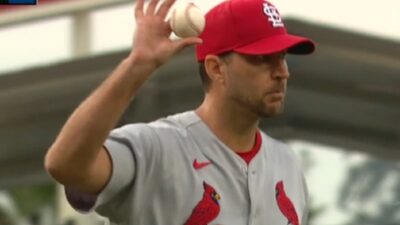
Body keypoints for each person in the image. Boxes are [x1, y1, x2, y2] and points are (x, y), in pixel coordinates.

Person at [44, 0, 315, 224]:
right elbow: (65, 165)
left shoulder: (287, 164)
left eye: (282, 56)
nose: (282, 72)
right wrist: (137, 65)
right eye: (262, 58)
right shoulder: (156, 148)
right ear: (216, 69)